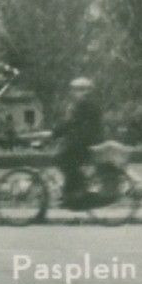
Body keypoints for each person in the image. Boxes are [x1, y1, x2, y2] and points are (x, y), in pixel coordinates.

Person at [51, 77, 103, 209]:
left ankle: (74, 196)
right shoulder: (91, 103)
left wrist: (55, 133)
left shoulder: (82, 104)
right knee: (69, 162)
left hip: (83, 142)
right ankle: (75, 193)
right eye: (74, 90)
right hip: (91, 140)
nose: (74, 93)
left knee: (62, 159)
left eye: (76, 90)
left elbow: (69, 123)